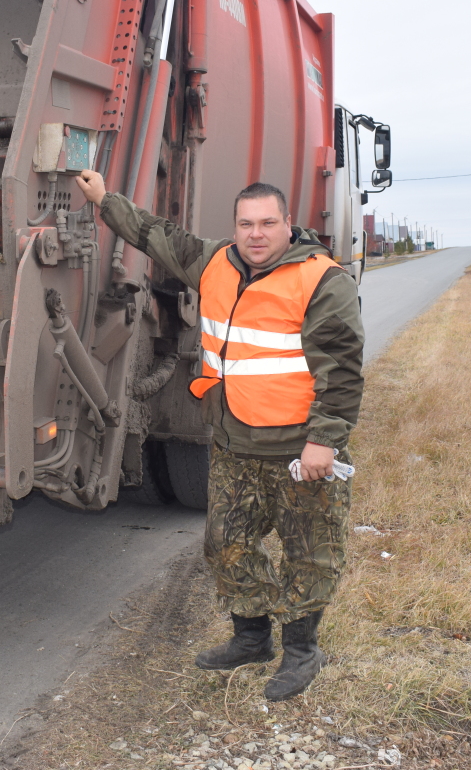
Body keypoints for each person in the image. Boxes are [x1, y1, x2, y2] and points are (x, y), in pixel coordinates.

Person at [74, 169, 365, 701]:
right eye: (246, 224)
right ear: (234, 227)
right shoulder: (214, 262)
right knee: (226, 545)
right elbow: (154, 233)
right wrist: (104, 200)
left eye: (268, 223)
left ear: (288, 225)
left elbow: (342, 371)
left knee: (310, 553)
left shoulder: (322, 280)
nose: (256, 234)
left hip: (299, 450)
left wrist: (324, 440)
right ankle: (251, 639)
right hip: (234, 443)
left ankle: (302, 650)